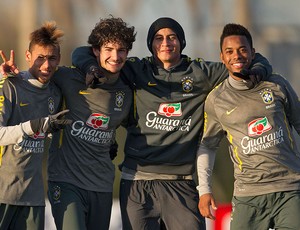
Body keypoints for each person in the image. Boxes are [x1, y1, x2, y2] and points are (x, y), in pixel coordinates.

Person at [72, 17, 272, 229]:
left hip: (182, 182)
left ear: (182, 41)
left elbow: (252, 58)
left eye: (172, 37)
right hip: (137, 182)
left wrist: (258, 71)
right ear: (151, 44)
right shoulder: (137, 69)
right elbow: (81, 52)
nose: (166, 43)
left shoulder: (200, 72)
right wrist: (90, 68)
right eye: (159, 38)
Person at [197, 23, 300, 230]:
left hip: (289, 188)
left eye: (243, 49)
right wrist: (204, 190)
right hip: (248, 194)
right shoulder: (217, 100)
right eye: (230, 51)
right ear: (222, 57)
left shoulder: (277, 84)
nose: (237, 55)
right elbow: (207, 145)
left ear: (253, 53)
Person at [46, 17, 136, 230]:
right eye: (109, 49)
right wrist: (9, 76)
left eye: (121, 50)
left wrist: (112, 140)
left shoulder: (128, 89)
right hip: (66, 180)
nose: (115, 56)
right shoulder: (69, 77)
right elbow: (38, 76)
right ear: (96, 51)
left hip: (102, 185)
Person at [0, 21, 71, 230]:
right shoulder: (10, 85)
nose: (46, 65)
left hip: (34, 197)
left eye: (52, 58)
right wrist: (34, 125)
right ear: (28, 56)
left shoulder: (55, 93)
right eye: (40, 58)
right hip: (3, 193)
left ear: (58, 59)